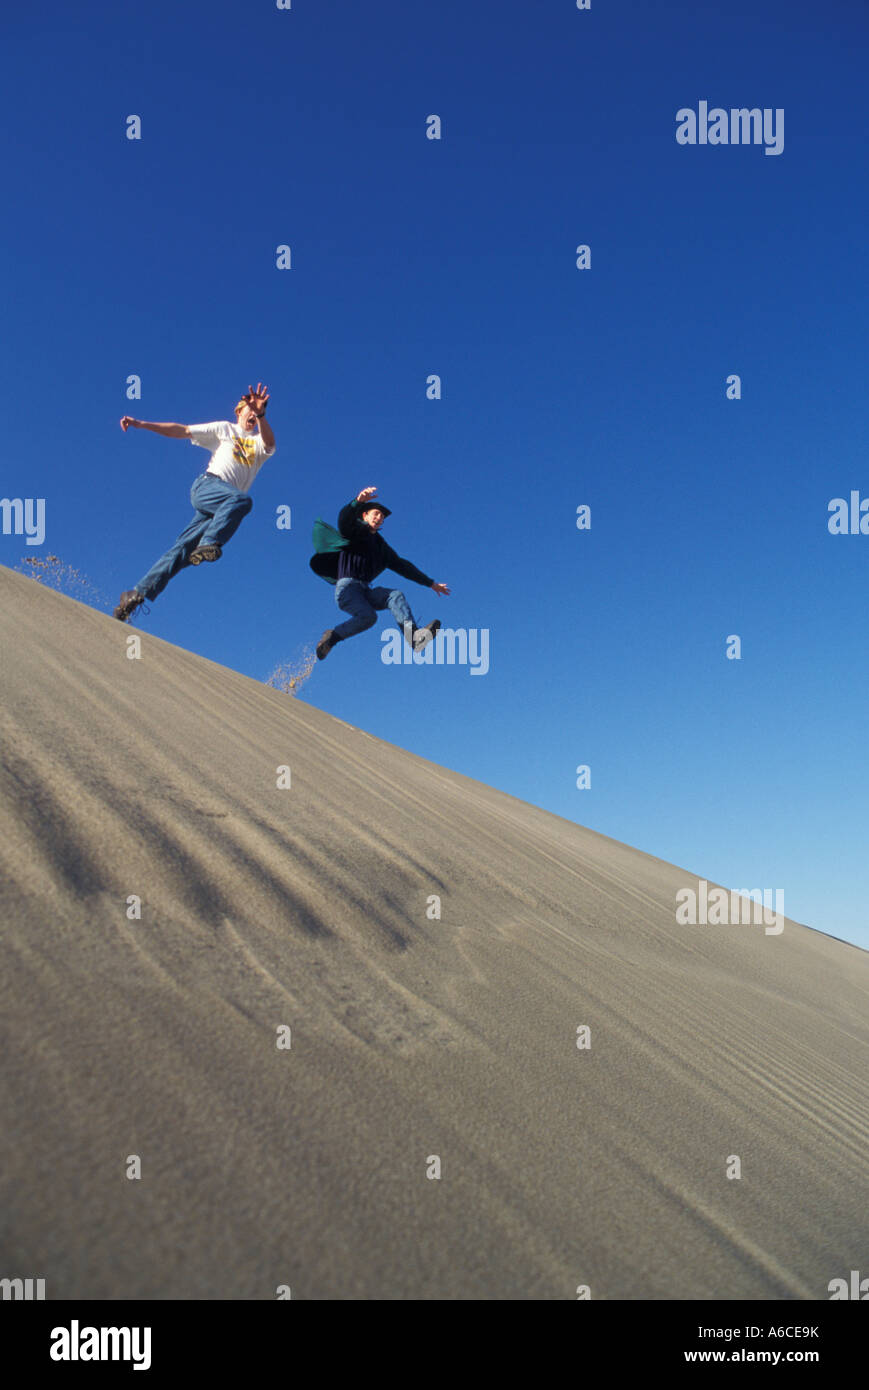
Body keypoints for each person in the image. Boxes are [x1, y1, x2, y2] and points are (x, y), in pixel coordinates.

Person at [112, 383, 276, 622]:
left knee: (180, 551)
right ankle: (210, 542)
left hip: (221, 510)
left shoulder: (259, 443)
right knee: (242, 500)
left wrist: (261, 415)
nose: (252, 413)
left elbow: (270, 443)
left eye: (257, 411)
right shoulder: (224, 429)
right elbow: (182, 430)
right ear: (238, 411)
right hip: (208, 487)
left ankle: (135, 594)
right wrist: (141, 424)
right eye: (248, 409)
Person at [312, 485, 450, 660]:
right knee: (368, 617)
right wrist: (357, 502)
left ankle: (414, 637)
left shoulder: (380, 547)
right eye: (375, 514)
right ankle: (332, 638)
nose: (379, 518)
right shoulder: (354, 532)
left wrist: (431, 583)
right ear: (365, 515)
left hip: (365, 590)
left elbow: (402, 565)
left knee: (395, 596)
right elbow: (344, 522)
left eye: (382, 517)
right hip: (347, 589)